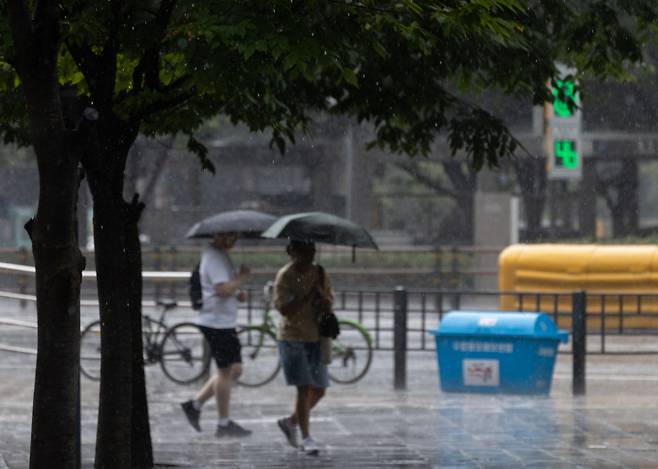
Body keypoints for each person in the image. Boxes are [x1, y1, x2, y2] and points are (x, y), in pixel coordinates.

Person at [180, 231, 252, 437]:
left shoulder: (220, 255)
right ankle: (223, 423)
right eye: (232, 237)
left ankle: (194, 405)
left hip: (223, 322)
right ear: (220, 236)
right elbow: (221, 289)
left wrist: (238, 292)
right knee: (225, 371)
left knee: (234, 370)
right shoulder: (213, 257)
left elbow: (222, 288)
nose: (235, 241)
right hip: (216, 323)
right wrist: (242, 279)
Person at [274, 240, 333, 456]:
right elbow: (284, 309)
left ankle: (291, 422)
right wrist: (305, 297)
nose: (309, 257)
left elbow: (329, 299)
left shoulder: (320, 272)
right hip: (292, 337)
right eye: (304, 252)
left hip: (315, 336)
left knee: (319, 389)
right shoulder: (285, 276)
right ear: (291, 252)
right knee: (304, 387)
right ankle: (307, 437)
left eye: (312, 252)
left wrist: (323, 300)